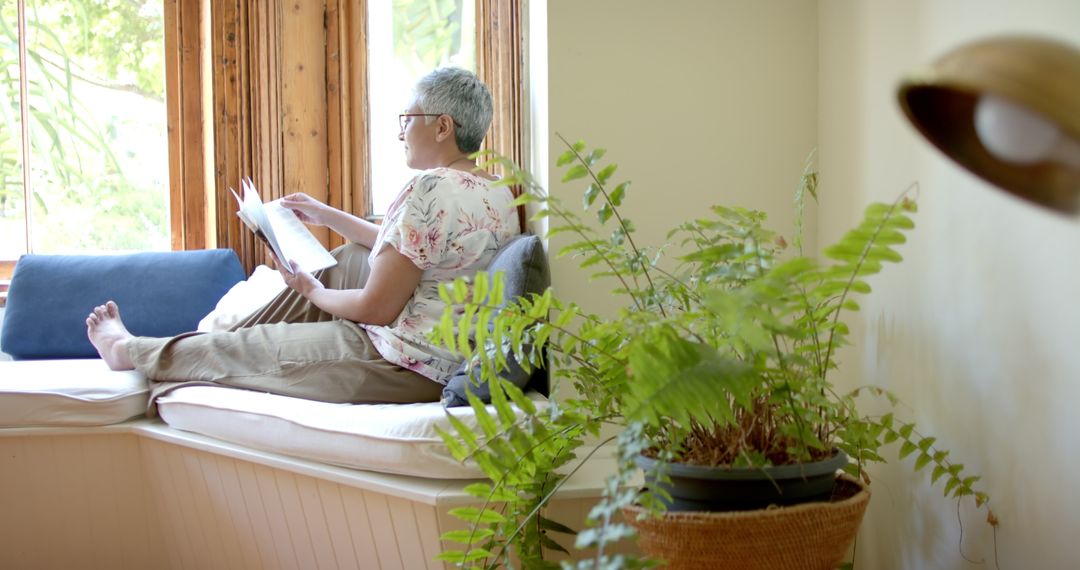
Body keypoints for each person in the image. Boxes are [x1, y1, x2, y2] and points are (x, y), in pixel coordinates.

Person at [85, 67, 520, 410]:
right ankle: (206, 343)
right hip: (437, 353)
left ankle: (129, 351)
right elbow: (412, 248)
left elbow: (377, 308)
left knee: (259, 345)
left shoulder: (429, 187)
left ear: (442, 126)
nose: (401, 131)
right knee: (346, 256)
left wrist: (312, 293)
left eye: (408, 120)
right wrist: (326, 214)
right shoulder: (495, 190)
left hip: (406, 363)